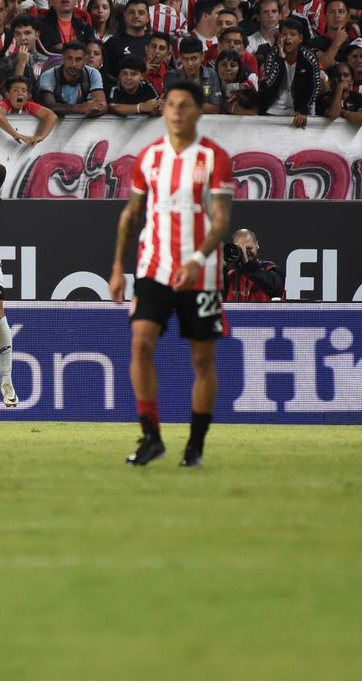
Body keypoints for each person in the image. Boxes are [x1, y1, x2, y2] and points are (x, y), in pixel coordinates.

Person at [109, 77, 233, 468]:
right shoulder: (149, 157)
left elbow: (220, 220)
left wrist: (197, 258)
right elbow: (131, 215)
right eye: (170, 104)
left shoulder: (215, 157)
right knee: (141, 343)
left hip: (203, 273)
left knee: (202, 359)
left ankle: (195, 445)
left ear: (198, 111)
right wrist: (116, 266)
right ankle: (151, 436)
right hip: (154, 267)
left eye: (184, 105)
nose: (176, 111)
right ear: (163, 111)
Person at [222, 229, 284, 302]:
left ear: (257, 245)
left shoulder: (270, 268)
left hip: (262, 313)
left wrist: (248, 265)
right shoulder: (230, 275)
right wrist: (223, 266)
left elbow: (277, 289)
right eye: (240, 250)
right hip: (233, 313)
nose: (245, 252)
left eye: (249, 248)